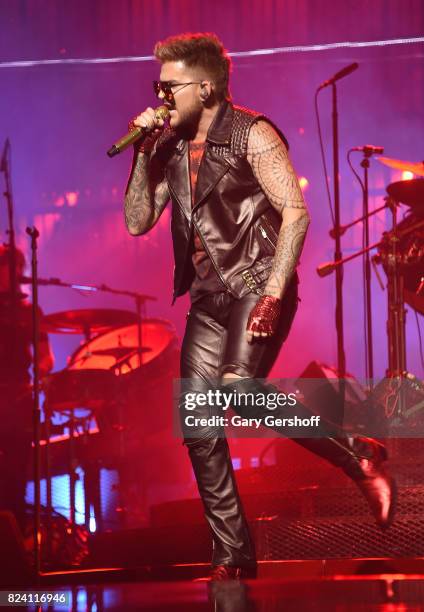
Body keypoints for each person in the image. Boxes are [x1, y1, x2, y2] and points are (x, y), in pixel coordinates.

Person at [123, 33, 395, 580]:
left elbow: (295, 214)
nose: (161, 96)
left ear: (204, 87)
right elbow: (136, 221)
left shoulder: (253, 133)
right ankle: (233, 556)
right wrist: (141, 152)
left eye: (168, 86)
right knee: (200, 427)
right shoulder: (169, 145)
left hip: (256, 280)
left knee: (237, 392)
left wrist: (272, 293)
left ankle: (356, 457)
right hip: (205, 296)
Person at [0, 244, 54, 529]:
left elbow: (46, 357)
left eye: (13, 268)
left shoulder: (30, 311)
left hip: (19, 398)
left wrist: (41, 375)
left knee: (17, 476)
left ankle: (15, 538)